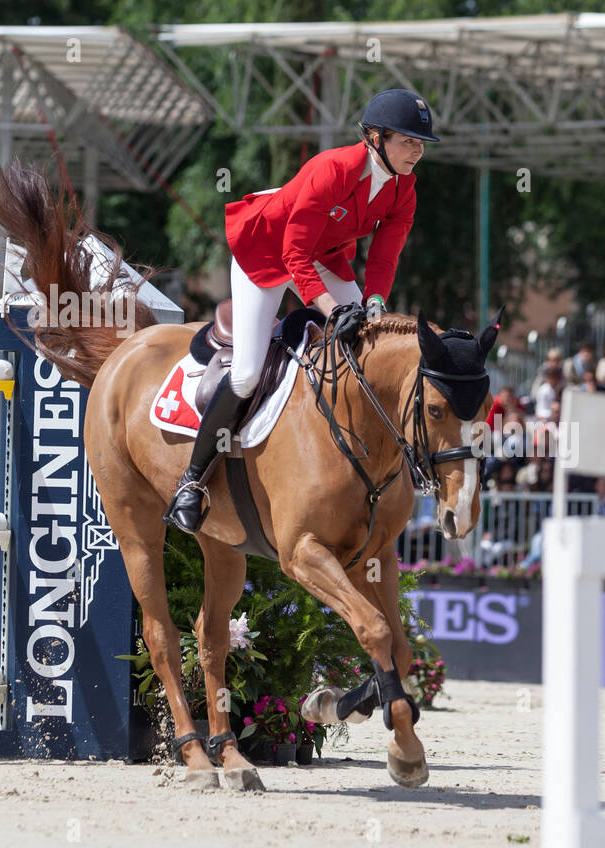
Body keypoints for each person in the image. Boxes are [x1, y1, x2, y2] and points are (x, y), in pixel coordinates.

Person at [166, 88, 439, 532]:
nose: (417, 150)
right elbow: (293, 255)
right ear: (374, 137)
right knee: (247, 373)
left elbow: (384, 257)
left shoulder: (403, 187)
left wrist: (372, 303)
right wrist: (332, 308)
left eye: (420, 143)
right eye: (408, 140)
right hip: (267, 251)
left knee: (368, 343)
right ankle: (192, 482)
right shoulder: (331, 169)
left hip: (324, 255)